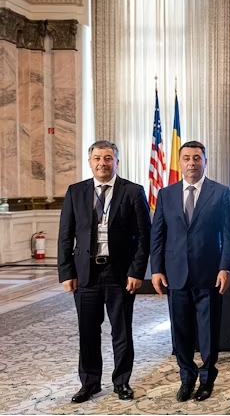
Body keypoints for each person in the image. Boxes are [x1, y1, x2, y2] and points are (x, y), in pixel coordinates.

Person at [57, 140, 151, 403]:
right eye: (97, 158)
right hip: (86, 275)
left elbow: (144, 237)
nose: (102, 163)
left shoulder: (133, 191)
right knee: (88, 331)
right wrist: (66, 272)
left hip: (119, 274)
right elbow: (65, 235)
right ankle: (89, 383)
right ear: (90, 162)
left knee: (121, 331)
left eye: (108, 158)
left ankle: (122, 382)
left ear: (116, 162)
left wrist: (137, 272)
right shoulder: (75, 192)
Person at [149, 141, 230, 402]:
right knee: (180, 331)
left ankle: (207, 379)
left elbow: (229, 235)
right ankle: (186, 377)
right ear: (179, 162)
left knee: (208, 331)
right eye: (186, 158)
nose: (191, 163)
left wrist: (225, 267)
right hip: (175, 275)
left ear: (205, 161)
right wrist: (156, 270)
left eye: (197, 158)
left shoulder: (221, 193)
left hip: (209, 274)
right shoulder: (166, 194)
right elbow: (158, 235)